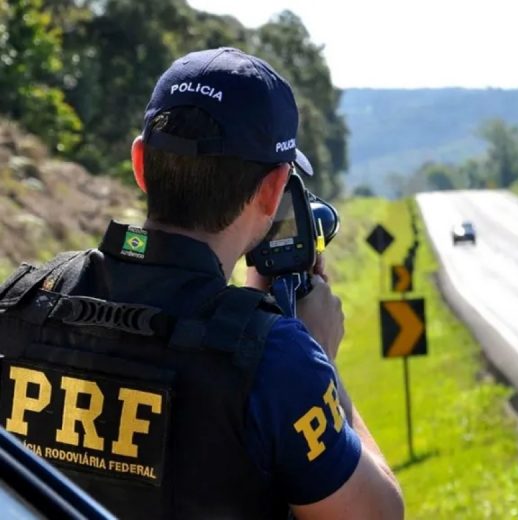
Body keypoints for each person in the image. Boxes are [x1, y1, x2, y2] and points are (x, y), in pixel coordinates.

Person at [0, 47, 404, 519]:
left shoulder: (21, 301)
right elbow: (379, 513)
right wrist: (320, 361)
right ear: (274, 189)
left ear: (140, 164)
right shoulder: (278, 361)